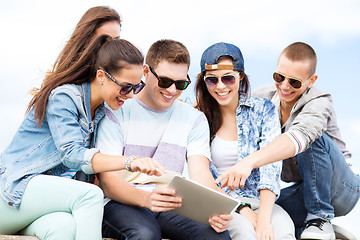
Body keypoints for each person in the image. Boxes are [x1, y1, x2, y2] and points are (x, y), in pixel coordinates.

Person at [0, 34, 167, 240]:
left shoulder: (101, 113)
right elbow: (72, 155)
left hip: (39, 208)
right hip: (11, 193)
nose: (130, 94)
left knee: (63, 228)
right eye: (125, 87)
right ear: (101, 77)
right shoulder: (64, 97)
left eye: (136, 87)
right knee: (90, 195)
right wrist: (130, 162)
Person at [216, 41, 360, 239]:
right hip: (305, 189)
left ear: (311, 81)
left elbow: (299, 138)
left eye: (294, 82)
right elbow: (228, 101)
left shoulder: (319, 102)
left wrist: (248, 161)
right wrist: (191, 106)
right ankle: (308, 230)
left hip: (342, 189)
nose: (284, 86)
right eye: (279, 77)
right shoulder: (262, 99)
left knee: (311, 139)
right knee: (271, 211)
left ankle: (319, 218)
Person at [96, 39, 233, 240]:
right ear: (145, 72)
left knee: (215, 236)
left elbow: (201, 176)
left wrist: (216, 209)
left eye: (180, 84)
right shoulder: (118, 109)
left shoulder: (194, 118)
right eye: (165, 81)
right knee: (145, 234)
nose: (171, 90)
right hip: (121, 201)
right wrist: (147, 198)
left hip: (171, 202)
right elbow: (109, 183)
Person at [195, 42, 295, 240]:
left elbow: (271, 167)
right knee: (243, 231)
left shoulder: (263, 110)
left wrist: (263, 220)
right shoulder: (198, 117)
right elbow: (202, 175)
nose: (221, 86)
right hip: (222, 201)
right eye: (212, 80)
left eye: (228, 78)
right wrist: (242, 209)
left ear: (241, 76)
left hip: (262, 200)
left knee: (284, 230)